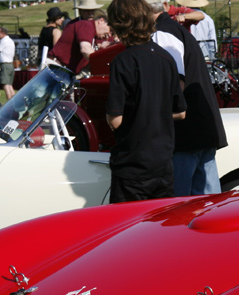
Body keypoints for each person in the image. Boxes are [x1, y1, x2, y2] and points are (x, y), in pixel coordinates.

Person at [106, 0, 186, 203]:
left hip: (132, 163)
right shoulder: (166, 58)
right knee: (159, 220)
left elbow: (115, 120)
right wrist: (154, 114)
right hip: (162, 162)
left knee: (129, 221)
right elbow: (180, 112)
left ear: (119, 25)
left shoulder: (122, 62)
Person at [151, 0, 228, 195]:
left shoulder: (163, 33)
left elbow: (177, 83)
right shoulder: (172, 29)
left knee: (181, 202)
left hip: (186, 131)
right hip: (200, 126)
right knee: (208, 200)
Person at [50, 0, 108, 74]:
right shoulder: (82, 24)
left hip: (64, 70)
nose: (90, 13)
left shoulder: (92, 26)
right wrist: (102, 64)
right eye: (87, 11)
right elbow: (85, 49)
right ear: (80, 11)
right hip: (57, 68)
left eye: (92, 10)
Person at [0, 27, 16, 100]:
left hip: (5, 65)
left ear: (3, 33)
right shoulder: (10, 40)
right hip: (10, 64)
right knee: (10, 85)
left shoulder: (4, 41)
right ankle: (14, 101)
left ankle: (9, 101)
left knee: (5, 85)